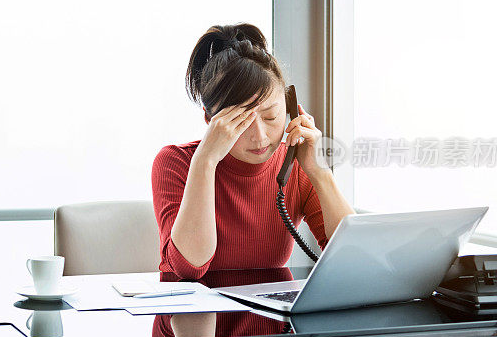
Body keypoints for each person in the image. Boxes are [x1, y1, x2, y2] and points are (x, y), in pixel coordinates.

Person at [151, 23, 354, 280]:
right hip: (192, 318)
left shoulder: (295, 165)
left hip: (271, 318)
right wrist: (205, 161)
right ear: (210, 119)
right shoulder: (175, 163)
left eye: (271, 117)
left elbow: (353, 258)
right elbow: (190, 267)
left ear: (291, 107)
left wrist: (319, 172)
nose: (260, 137)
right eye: (241, 121)